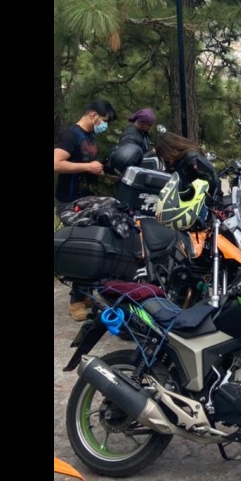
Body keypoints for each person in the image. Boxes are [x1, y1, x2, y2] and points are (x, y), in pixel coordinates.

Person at [54, 98, 117, 321]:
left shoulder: (90, 137)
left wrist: (96, 170)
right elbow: (56, 163)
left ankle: (88, 292)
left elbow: (86, 164)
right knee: (84, 244)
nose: (104, 125)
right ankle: (76, 301)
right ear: (93, 115)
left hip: (86, 199)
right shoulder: (72, 135)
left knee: (99, 240)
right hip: (70, 202)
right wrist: (87, 166)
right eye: (104, 121)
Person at [154, 131, 219, 197]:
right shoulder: (178, 160)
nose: (164, 158)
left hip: (201, 201)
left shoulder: (191, 158)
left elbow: (211, 179)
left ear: (169, 149)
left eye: (164, 154)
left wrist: (191, 188)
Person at [106, 107, 156, 176]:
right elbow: (131, 159)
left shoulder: (142, 132)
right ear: (142, 123)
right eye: (149, 125)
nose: (150, 128)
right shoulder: (130, 138)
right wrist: (152, 153)